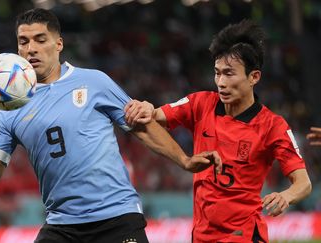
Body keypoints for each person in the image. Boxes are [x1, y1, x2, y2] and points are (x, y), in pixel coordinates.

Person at [0, 8, 222, 243]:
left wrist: (183, 159)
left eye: (40, 40)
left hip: (116, 219)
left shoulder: (94, 82)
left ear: (58, 44)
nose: (31, 49)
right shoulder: (8, 110)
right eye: (23, 41)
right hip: (62, 225)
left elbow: (140, 127)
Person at [125, 20, 312, 242]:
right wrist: (147, 108)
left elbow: (303, 183)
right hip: (201, 236)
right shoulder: (201, 103)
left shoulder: (273, 126)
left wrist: (286, 196)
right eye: (217, 73)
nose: (221, 82)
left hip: (243, 236)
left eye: (229, 74)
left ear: (254, 77)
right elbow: (153, 116)